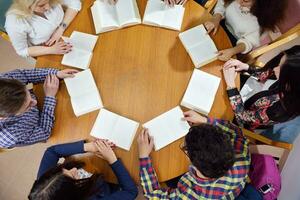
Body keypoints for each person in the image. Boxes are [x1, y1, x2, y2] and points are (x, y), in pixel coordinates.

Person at [137, 110, 250, 199]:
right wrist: (205, 120)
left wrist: (143, 156)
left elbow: (152, 196)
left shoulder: (188, 194)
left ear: (192, 162)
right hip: (232, 189)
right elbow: (237, 133)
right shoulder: (242, 157)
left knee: (169, 178)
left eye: (185, 148)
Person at [28, 140, 138, 200]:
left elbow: (51, 152)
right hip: (110, 187)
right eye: (72, 175)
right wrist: (113, 160)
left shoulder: (45, 186)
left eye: (63, 169)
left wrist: (88, 147)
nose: (74, 169)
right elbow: (131, 192)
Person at [223, 45, 300, 130]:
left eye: (280, 68)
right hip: (248, 93)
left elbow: (243, 118)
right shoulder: (289, 77)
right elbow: (266, 73)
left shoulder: (280, 110)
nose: (275, 68)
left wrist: (231, 86)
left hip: (239, 115)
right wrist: (246, 67)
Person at [0, 68, 77, 148]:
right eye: (28, 105)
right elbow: (44, 132)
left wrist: (55, 73)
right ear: (3, 117)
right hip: (46, 122)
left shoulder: (3, 81)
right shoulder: (9, 135)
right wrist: (49, 97)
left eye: (26, 91)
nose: (34, 102)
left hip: (42, 97)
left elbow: (24, 75)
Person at [5, 0, 81, 58]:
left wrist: (60, 29)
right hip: (48, 48)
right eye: (41, 5)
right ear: (26, 5)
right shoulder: (14, 22)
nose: (48, 7)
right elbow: (22, 51)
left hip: (67, 28)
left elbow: (75, 3)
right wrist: (51, 50)